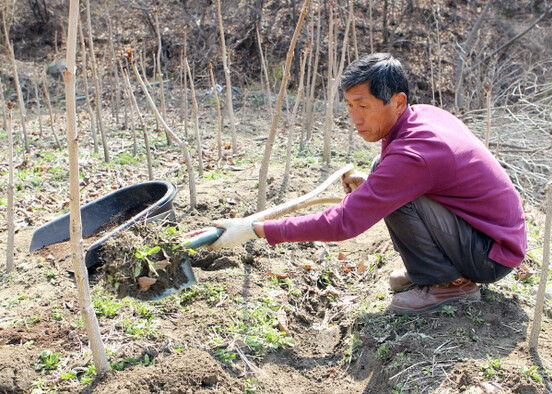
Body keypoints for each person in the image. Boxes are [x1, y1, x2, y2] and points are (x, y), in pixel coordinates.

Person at [200, 53, 527, 315]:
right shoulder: (420, 115)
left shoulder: (416, 153)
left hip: (492, 254)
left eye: (364, 106)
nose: (355, 118)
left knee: (397, 191)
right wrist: (374, 182)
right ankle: (434, 270)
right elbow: (406, 176)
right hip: (484, 233)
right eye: (350, 106)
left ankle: (450, 284)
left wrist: (255, 229)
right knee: (381, 171)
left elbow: (344, 223)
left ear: (397, 102)